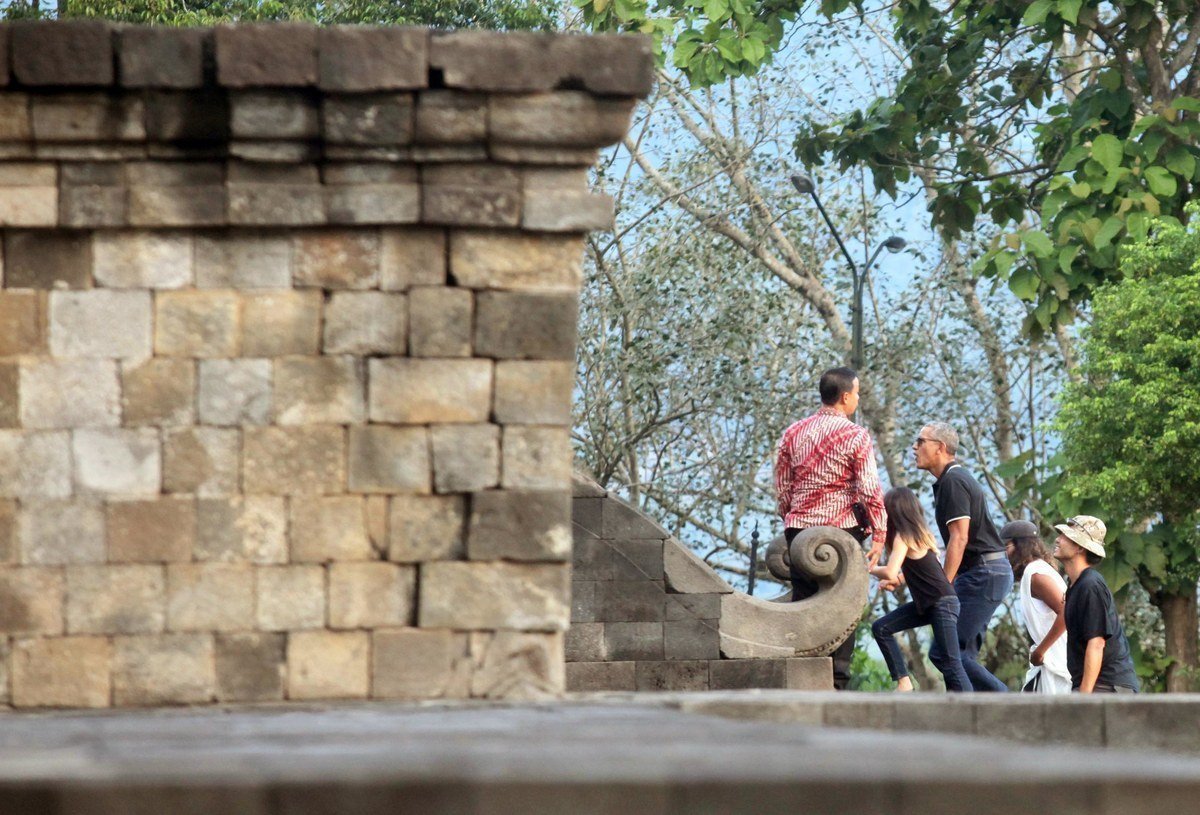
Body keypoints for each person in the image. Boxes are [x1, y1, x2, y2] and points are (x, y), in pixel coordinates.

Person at [774, 366, 886, 689]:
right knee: (843, 608)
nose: (858, 398)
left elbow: (783, 488)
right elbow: (869, 488)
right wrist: (880, 532)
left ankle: (803, 679)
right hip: (840, 534)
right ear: (846, 397)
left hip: (799, 531)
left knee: (803, 605)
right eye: (857, 393)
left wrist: (792, 519)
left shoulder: (793, 432)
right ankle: (837, 683)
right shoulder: (855, 435)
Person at [912, 422, 1012, 691]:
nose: (914, 447)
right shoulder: (950, 480)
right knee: (959, 655)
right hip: (984, 573)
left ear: (940, 447)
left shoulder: (954, 481)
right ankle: (974, 711)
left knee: (945, 652)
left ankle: (1004, 700)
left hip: (983, 574)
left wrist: (942, 586)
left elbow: (959, 538)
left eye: (920, 441)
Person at [870, 487, 971, 692]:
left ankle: (972, 708)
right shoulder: (921, 535)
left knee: (951, 664)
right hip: (931, 604)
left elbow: (889, 571)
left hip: (941, 604)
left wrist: (867, 568)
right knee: (881, 627)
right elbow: (922, 570)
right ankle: (904, 682)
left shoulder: (903, 537)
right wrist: (898, 581)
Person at [1052, 515, 1139, 693]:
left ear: (1079, 547)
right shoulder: (1076, 585)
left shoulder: (1090, 585)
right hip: (1095, 686)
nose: (1057, 539)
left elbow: (1097, 643)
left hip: (1107, 687)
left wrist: (1084, 697)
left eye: (1065, 536)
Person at [1001, 520, 1071, 694]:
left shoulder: (1036, 573)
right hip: (1052, 660)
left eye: (1006, 547)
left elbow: (1067, 611)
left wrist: (1041, 651)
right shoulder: (1035, 571)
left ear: (1021, 546)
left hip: (1057, 660)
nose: (1004, 554)